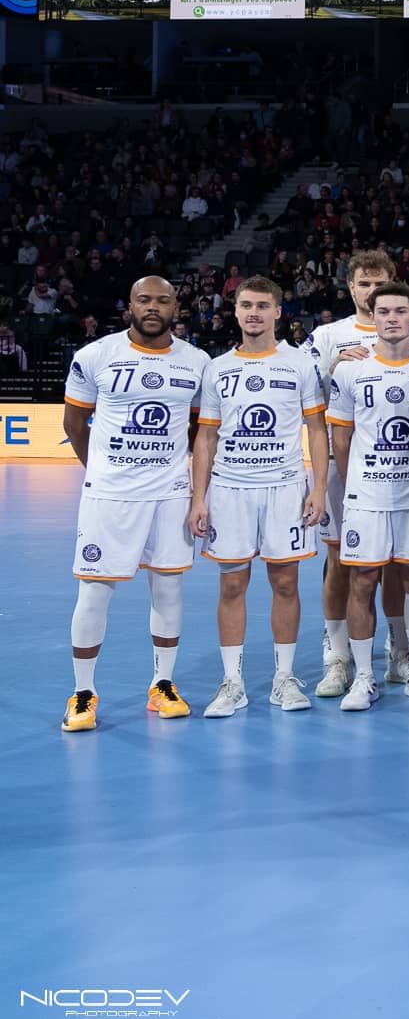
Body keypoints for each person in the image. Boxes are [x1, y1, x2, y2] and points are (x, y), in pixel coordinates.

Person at [59, 276, 209, 732]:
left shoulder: (197, 362)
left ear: (175, 307)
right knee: (94, 591)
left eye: (162, 300)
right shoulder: (95, 356)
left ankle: (162, 684)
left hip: (169, 494)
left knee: (168, 588)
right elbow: (74, 422)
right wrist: (102, 470)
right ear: (130, 305)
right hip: (110, 494)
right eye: (144, 299)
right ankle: (83, 692)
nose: (153, 307)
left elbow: (202, 431)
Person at [190, 277, 329, 718]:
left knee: (285, 582)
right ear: (234, 311)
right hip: (229, 489)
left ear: (277, 312)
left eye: (262, 305)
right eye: (246, 305)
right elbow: (206, 436)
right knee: (232, 584)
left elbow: (317, 431)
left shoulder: (299, 364)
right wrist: (199, 498)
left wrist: (320, 488)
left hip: (285, 487)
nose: (253, 312)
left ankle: (283, 678)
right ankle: (232, 683)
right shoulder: (217, 368)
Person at [307, 251, 409, 697]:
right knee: (345, 570)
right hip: (356, 482)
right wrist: (347, 483)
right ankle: (343, 659)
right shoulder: (332, 341)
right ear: (351, 289)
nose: (389, 315)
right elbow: (317, 405)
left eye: (399, 308)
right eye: (365, 288)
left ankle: (406, 658)